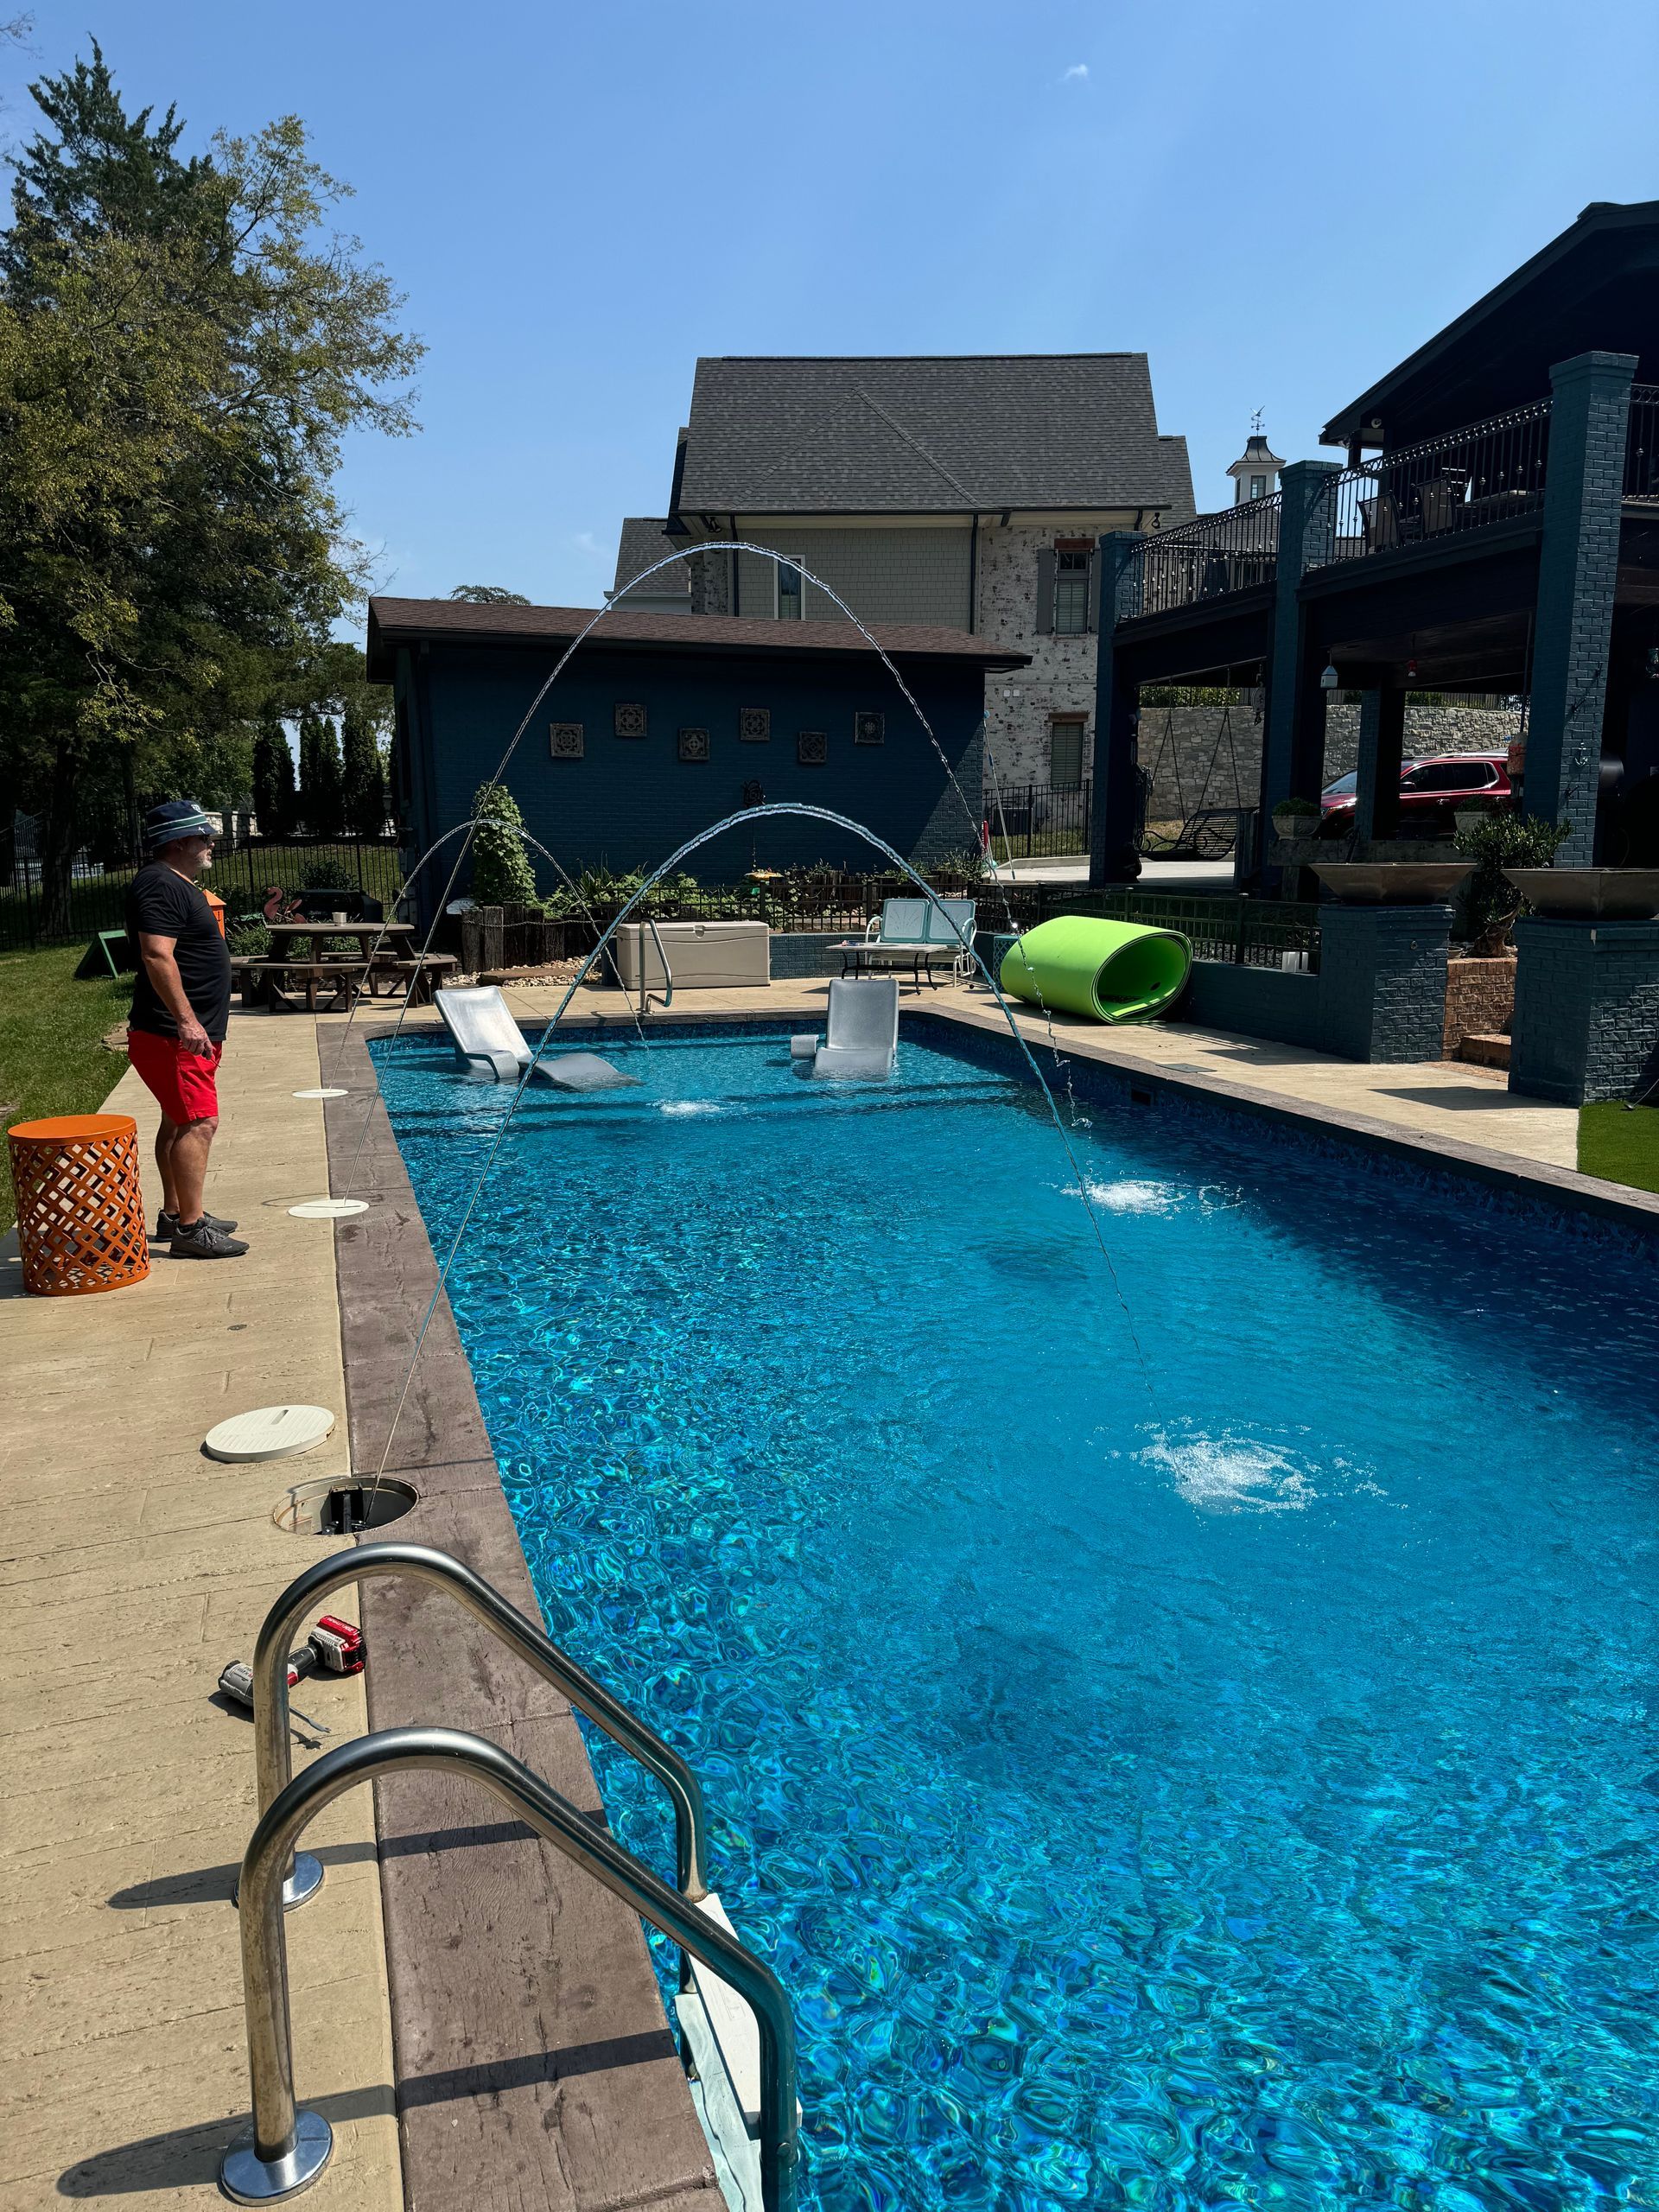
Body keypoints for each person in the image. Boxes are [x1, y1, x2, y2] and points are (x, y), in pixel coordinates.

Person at [125, 800, 248, 1258]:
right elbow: (156, 954)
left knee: (178, 1120)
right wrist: (187, 1021)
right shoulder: (159, 884)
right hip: (172, 1035)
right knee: (200, 1122)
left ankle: (176, 1213)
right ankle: (191, 1231)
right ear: (178, 842)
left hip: (181, 1035)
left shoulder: (174, 881)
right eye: (203, 836)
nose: (210, 843)